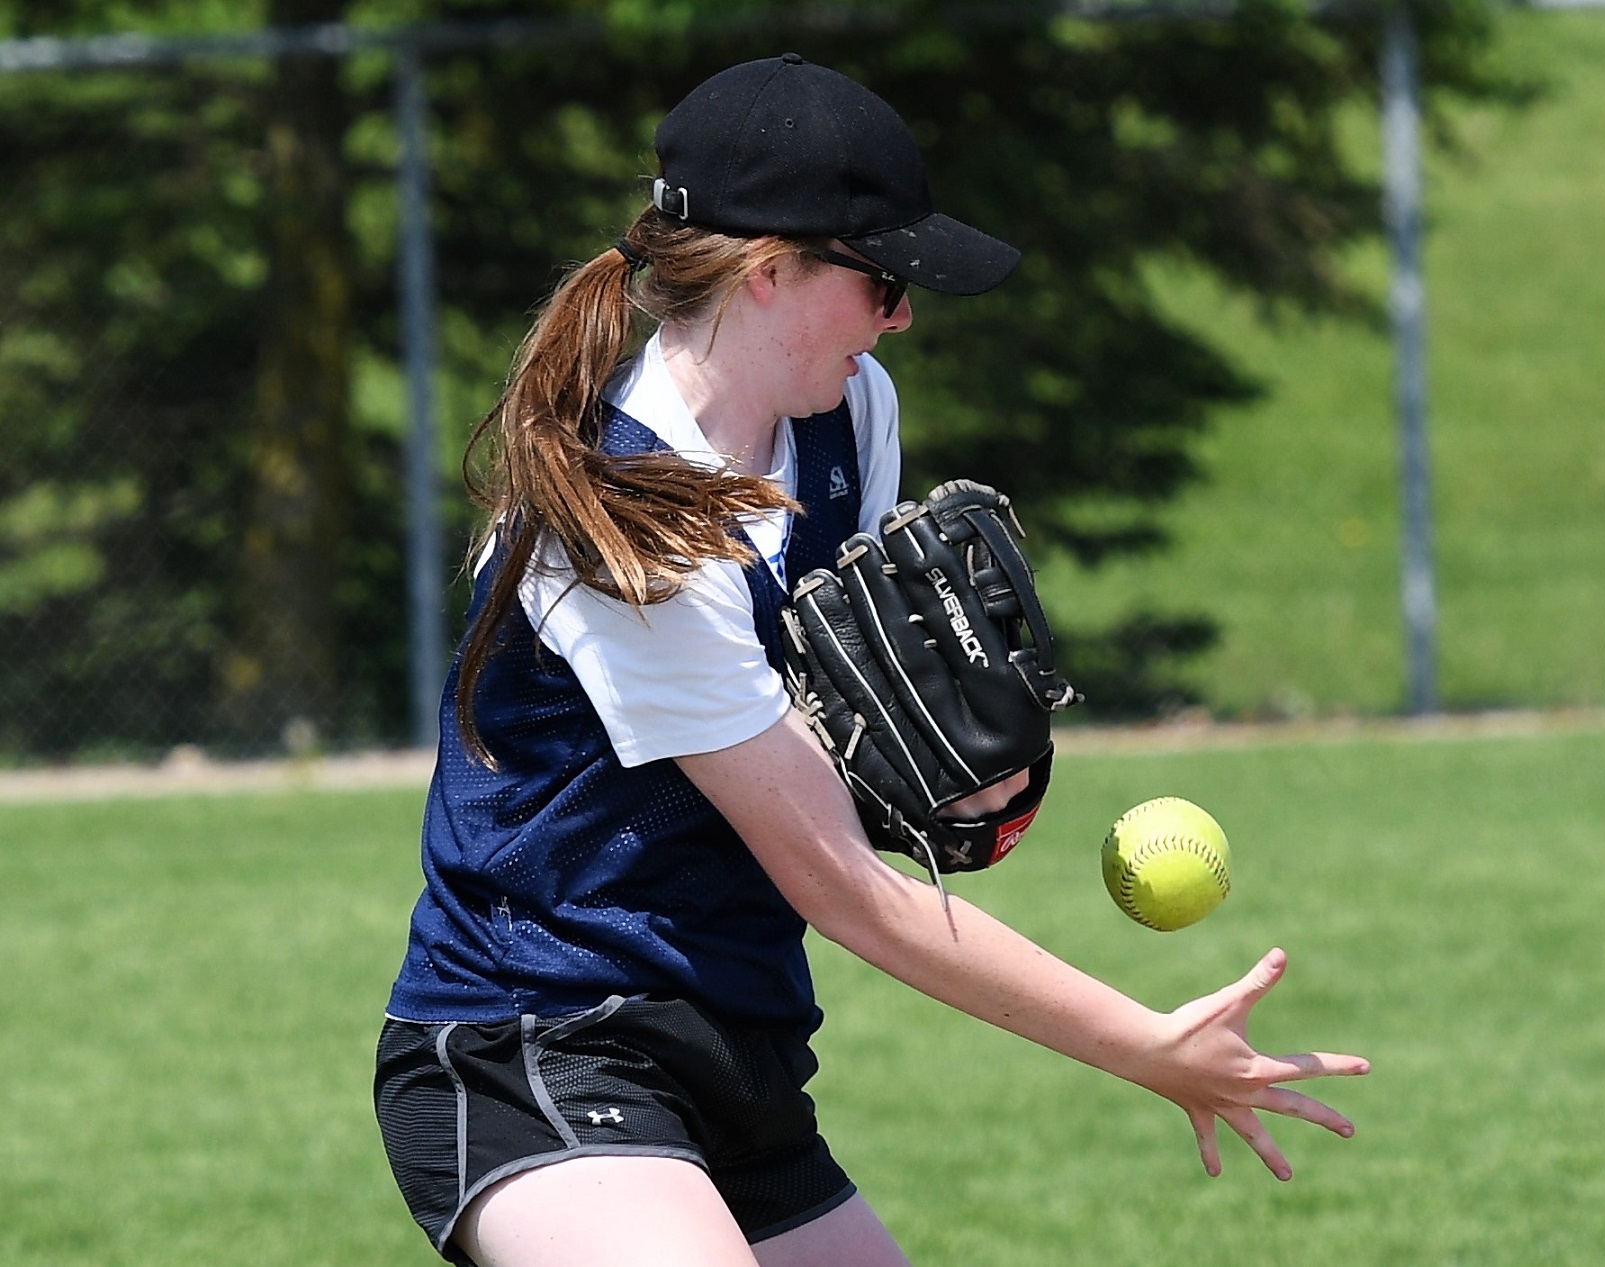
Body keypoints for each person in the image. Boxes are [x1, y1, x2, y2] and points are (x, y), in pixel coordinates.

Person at [373, 53, 1369, 1267]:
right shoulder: (629, 530)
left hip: (733, 1040)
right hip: (533, 1039)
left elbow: (824, 747)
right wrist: (1145, 1045)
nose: (900, 313)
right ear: (767, 267)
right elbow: (842, 887)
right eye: (881, 278)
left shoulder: (848, 417)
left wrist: (940, 786)